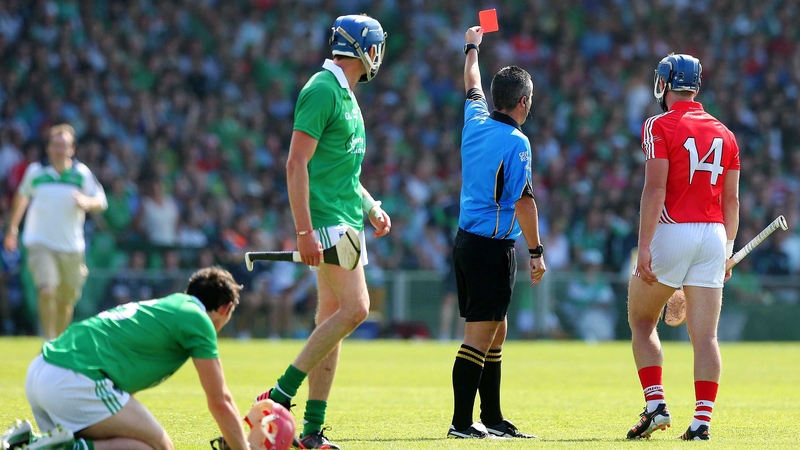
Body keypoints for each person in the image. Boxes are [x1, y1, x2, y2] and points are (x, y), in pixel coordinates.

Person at [256, 14, 391, 449]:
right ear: (364, 49)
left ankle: (311, 433)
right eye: (376, 46)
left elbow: (343, 173)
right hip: (328, 222)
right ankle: (279, 393)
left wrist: (370, 206)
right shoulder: (321, 89)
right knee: (356, 310)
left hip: (348, 219)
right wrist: (303, 231)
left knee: (331, 319)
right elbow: (296, 164)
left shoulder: (347, 95)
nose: (379, 55)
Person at [0, 267, 254, 450]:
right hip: (73, 380)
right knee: (160, 447)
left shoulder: (167, 307)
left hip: (41, 372)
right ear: (226, 308)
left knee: (139, 444)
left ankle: (31, 442)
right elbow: (220, 401)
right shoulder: (197, 319)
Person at [626, 54, 740, 441]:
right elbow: (732, 203)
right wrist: (727, 249)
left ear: (665, 83)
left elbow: (655, 189)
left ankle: (656, 405)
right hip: (713, 234)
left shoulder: (658, 124)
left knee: (642, 321)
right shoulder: (725, 132)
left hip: (673, 231)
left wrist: (644, 247)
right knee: (706, 337)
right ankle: (701, 422)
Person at [447, 26, 546, 440]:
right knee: (478, 335)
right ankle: (461, 422)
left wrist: (473, 46)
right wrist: (537, 252)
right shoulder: (517, 142)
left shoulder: (475, 119)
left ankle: (492, 417)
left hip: (467, 242)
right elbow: (524, 201)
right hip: (492, 248)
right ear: (523, 102)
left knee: (495, 328)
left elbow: (472, 78)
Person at [3, 124, 107, 341]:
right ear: (48, 148)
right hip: (40, 242)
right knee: (47, 289)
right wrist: (12, 228)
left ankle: (58, 342)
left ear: (72, 149)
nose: (60, 149)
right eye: (56, 145)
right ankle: (48, 340)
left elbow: (101, 200)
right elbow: (22, 197)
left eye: (65, 145)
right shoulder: (35, 172)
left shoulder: (81, 174)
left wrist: (87, 202)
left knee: (66, 300)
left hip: (72, 247)